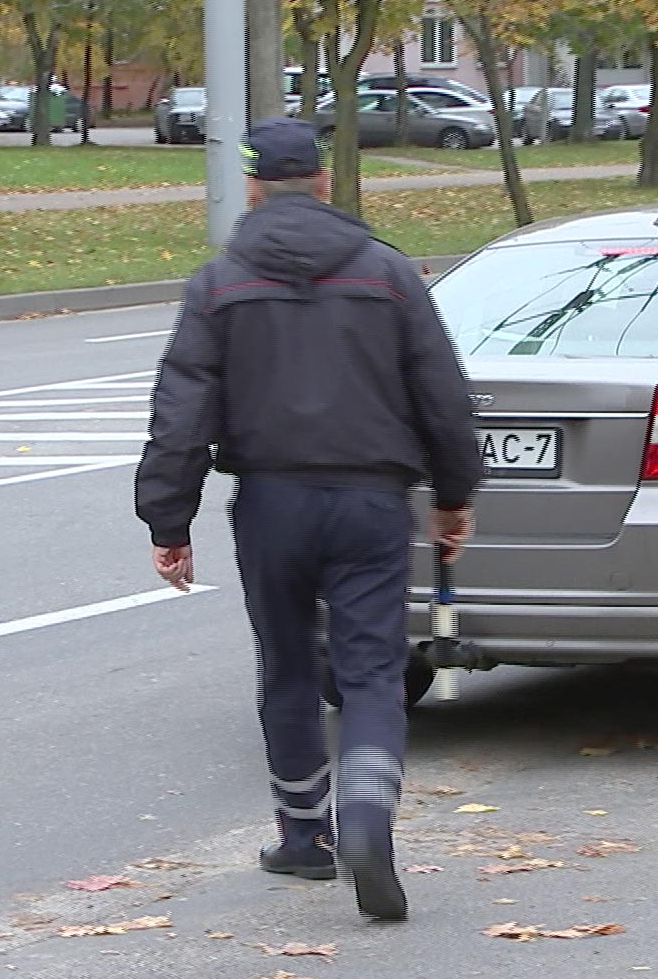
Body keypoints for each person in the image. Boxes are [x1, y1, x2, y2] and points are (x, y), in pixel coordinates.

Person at [133, 116, 482, 921]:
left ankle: (304, 835)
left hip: (271, 502)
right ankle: (367, 817)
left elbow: (180, 411)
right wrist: (455, 495)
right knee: (369, 670)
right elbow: (443, 396)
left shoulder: (218, 282)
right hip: (369, 502)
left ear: (252, 186)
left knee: (288, 666)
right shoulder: (390, 275)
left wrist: (168, 520)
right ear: (323, 181)